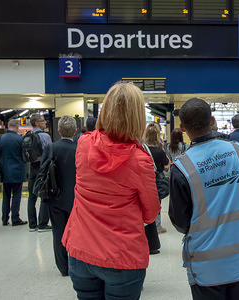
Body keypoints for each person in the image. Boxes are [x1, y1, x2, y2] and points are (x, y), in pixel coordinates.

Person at [62, 81, 161, 299]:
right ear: (138, 117)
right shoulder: (139, 160)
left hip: (80, 249)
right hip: (121, 256)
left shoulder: (84, 144)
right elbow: (151, 213)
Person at [169, 98, 239, 300]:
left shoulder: (182, 167)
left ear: (183, 127)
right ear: (212, 120)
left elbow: (179, 221)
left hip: (206, 263)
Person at [39, 115, 77, 276]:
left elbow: (42, 172)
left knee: (58, 232)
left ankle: (63, 267)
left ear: (59, 130)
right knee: (77, 233)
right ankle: (77, 264)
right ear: (75, 131)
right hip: (77, 198)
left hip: (55, 197)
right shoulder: (79, 149)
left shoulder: (51, 148)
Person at [0, 120, 27, 226]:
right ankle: (15, 218)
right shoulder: (20, 139)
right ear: (17, 127)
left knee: (6, 195)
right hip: (18, 170)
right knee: (16, 194)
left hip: (4, 170)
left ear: (7, 127)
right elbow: (25, 156)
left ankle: (4, 218)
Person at [144, 123, 170, 236]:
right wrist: (162, 149)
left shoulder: (142, 149)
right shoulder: (159, 152)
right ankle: (157, 225)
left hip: (145, 179)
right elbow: (167, 164)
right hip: (157, 179)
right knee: (157, 201)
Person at [27, 113, 52, 232]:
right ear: (37, 123)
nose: (45, 122)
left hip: (31, 167)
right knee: (45, 194)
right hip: (42, 168)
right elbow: (49, 152)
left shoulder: (28, 135)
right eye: (42, 121)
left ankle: (32, 225)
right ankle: (42, 224)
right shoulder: (45, 136)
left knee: (32, 197)